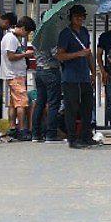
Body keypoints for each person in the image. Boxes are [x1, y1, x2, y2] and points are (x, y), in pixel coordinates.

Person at [56, 4, 97, 149]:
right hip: (70, 77)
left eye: (82, 16)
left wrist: (93, 71)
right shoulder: (66, 34)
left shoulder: (85, 32)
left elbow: (88, 54)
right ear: (71, 18)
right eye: (76, 16)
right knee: (71, 108)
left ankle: (86, 136)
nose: (79, 18)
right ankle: (72, 138)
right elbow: (60, 55)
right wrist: (78, 54)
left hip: (84, 76)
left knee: (87, 107)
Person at [0, 13, 35, 141]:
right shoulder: (11, 38)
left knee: (14, 103)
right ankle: (21, 129)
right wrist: (26, 54)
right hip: (15, 75)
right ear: (23, 28)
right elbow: (11, 56)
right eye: (28, 31)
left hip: (13, 74)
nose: (27, 35)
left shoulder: (12, 37)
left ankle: (13, 127)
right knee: (21, 103)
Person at [32, 9, 64, 143]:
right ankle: (51, 134)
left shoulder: (38, 33)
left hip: (39, 70)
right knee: (53, 103)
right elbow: (55, 53)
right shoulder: (50, 34)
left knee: (40, 102)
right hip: (51, 71)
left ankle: (36, 134)